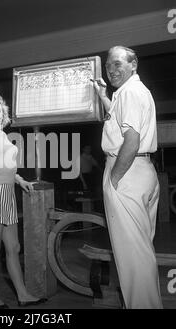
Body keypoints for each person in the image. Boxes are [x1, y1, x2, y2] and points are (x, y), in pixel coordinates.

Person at [92, 46, 162, 308]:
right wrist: (103, 96)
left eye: (118, 64)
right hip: (141, 170)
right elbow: (119, 124)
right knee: (140, 252)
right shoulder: (129, 92)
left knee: (133, 258)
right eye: (108, 66)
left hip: (127, 171)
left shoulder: (131, 92)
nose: (111, 70)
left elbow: (130, 142)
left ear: (134, 64)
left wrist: (114, 179)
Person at [0, 93, 47, 308]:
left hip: (9, 196)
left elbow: (7, 168)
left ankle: (23, 295)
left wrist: (20, 180)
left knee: (13, 248)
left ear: (3, 114)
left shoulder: (3, 136)